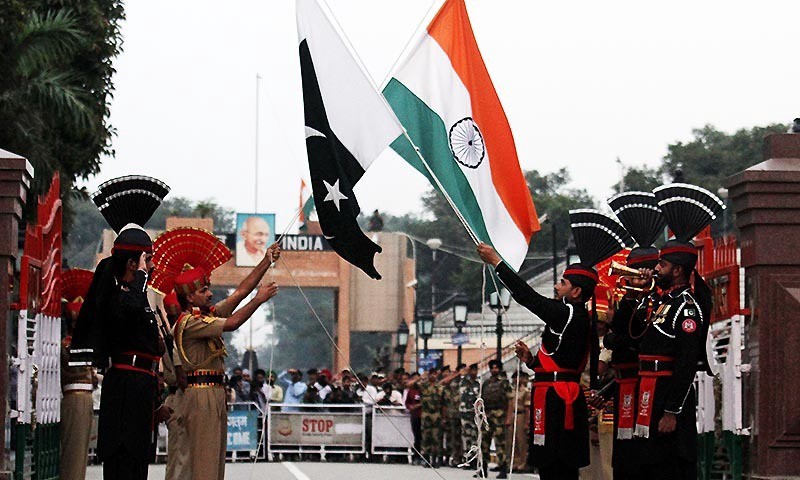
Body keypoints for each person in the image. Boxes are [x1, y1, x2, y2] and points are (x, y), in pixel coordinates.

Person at [477, 209, 628, 480]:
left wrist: (497, 262)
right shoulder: (578, 316)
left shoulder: (567, 313)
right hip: (563, 392)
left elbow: (527, 296)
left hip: (557, 400)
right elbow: (564, 362)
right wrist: (532, 361)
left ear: (576, 291)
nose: (557, 287)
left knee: (554, 464)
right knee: (561, 465)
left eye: (563, 282)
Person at [69, 175, 172, 480]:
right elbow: (127, 310)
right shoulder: (117, 295)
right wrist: (140, 277)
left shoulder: (136, 296)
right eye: (147, 259)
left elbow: (152, 344)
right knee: (123, 463)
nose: (151, 266)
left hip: (141, 387)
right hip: (125, 387)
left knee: (137, 464)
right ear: (132, 263)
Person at [624, 184, 719, 480]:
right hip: (650, 391)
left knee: (669, 465)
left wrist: (672, 411)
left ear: (677, 270)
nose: (656, 269)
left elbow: (687, 361)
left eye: (662, 265)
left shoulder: (687, 309)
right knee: (650, 464)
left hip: (668, 394)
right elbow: (632, 335)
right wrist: (639, 293)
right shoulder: (662, 301)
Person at [173, 238, 280, 480]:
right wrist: (259, 299)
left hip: (213, 392)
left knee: (214, 460)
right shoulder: (189, 323)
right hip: (201, 393)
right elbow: (232, 323)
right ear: (189, 298)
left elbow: (240, 292)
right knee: (205, 461)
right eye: (203, 291)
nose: (210, 294)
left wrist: (266, 261)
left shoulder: (207, 315)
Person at [60, 269, 94, 480]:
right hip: (76, 396)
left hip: (83, 396)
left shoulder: (75, 343)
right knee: (74, 453)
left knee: (79, 452)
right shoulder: (70, 344)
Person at [481, 360, 512, 478]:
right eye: (492, 368)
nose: (494, 370)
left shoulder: (504, 383)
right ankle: (483, 468)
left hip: (499, 416)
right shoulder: (486, 383)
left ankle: (503, 469)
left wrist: (508, 418)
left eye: (496, 368)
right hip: (487, 417)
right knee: (484, 443)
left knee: (500, 444)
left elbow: (510, 400)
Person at [506, 371, 531, 473]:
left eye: (518, 377)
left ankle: (522, 463)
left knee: (522, 441)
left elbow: (527, 408)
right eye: (514, 377)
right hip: (513, 415)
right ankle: (514, 463)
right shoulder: (512, 391)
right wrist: (508, 419)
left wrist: (526, 422)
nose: (516, 379)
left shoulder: (526, 391)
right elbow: (510, 405)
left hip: (521, 415)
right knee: (513, 441)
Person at [442, 363, 465, 467]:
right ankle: (449, 457)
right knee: (450, 437)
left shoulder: (466, 382)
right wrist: (457, 374)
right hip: (451, 414)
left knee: (460, 438)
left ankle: (460, 458)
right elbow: (444, 383)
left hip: (463, 414)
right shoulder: (452, 383)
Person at [404, 373, 423, 460]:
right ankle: (416, 455)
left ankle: (424, 456)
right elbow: (407, 402)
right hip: (414, 416)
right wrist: (410, 407)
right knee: (416, 436)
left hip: (423, 415)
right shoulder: (411, 391)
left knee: (423, 436)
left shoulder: (423, 389)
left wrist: (418, 405)